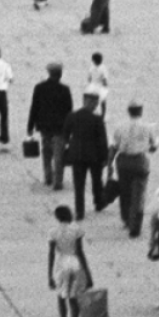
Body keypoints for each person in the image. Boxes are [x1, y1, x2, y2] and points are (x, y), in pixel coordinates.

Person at [109, 102, 159, 238]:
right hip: (139, 161)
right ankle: (135, 226)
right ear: (141, 111)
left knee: (125, 191)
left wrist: (109, 163)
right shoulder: (148, 127)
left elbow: (114, 146)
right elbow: (154, 147)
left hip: (123, 161)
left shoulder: (120, 127)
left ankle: (126, 219)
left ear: (129, 111)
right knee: (138, 194)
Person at [45, 205, 92, 317]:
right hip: (75, 263)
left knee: (61, 297)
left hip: (62, 264)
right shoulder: (76, 229)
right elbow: (80, 251)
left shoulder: (53, 232)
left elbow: (51, 254)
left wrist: (49, 275)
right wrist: (88, 274)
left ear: (57, 217)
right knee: (73, 299)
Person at [63, 89, 111, 220]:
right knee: (97, 181)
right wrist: (105, 157)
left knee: (79, 184)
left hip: (77, 155)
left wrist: (68, 148)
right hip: (94, 156)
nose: (95, 105)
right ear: (90, 102)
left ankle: (79, 211)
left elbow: (65, 136)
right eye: (94, 103)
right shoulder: (97, 119)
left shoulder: (72, 116)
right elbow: (102, 140)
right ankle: (98, 202)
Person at [27, 63, 74, 190]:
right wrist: (70, 129)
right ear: (60, 74)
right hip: (60, 127)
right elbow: (69, 110)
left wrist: (30, 126)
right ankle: (58, 181)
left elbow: (34, 107)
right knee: (59, 155)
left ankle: (48, 177)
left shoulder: (39, 87)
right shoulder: (65, 89)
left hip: (44, 126)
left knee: (46, 152)